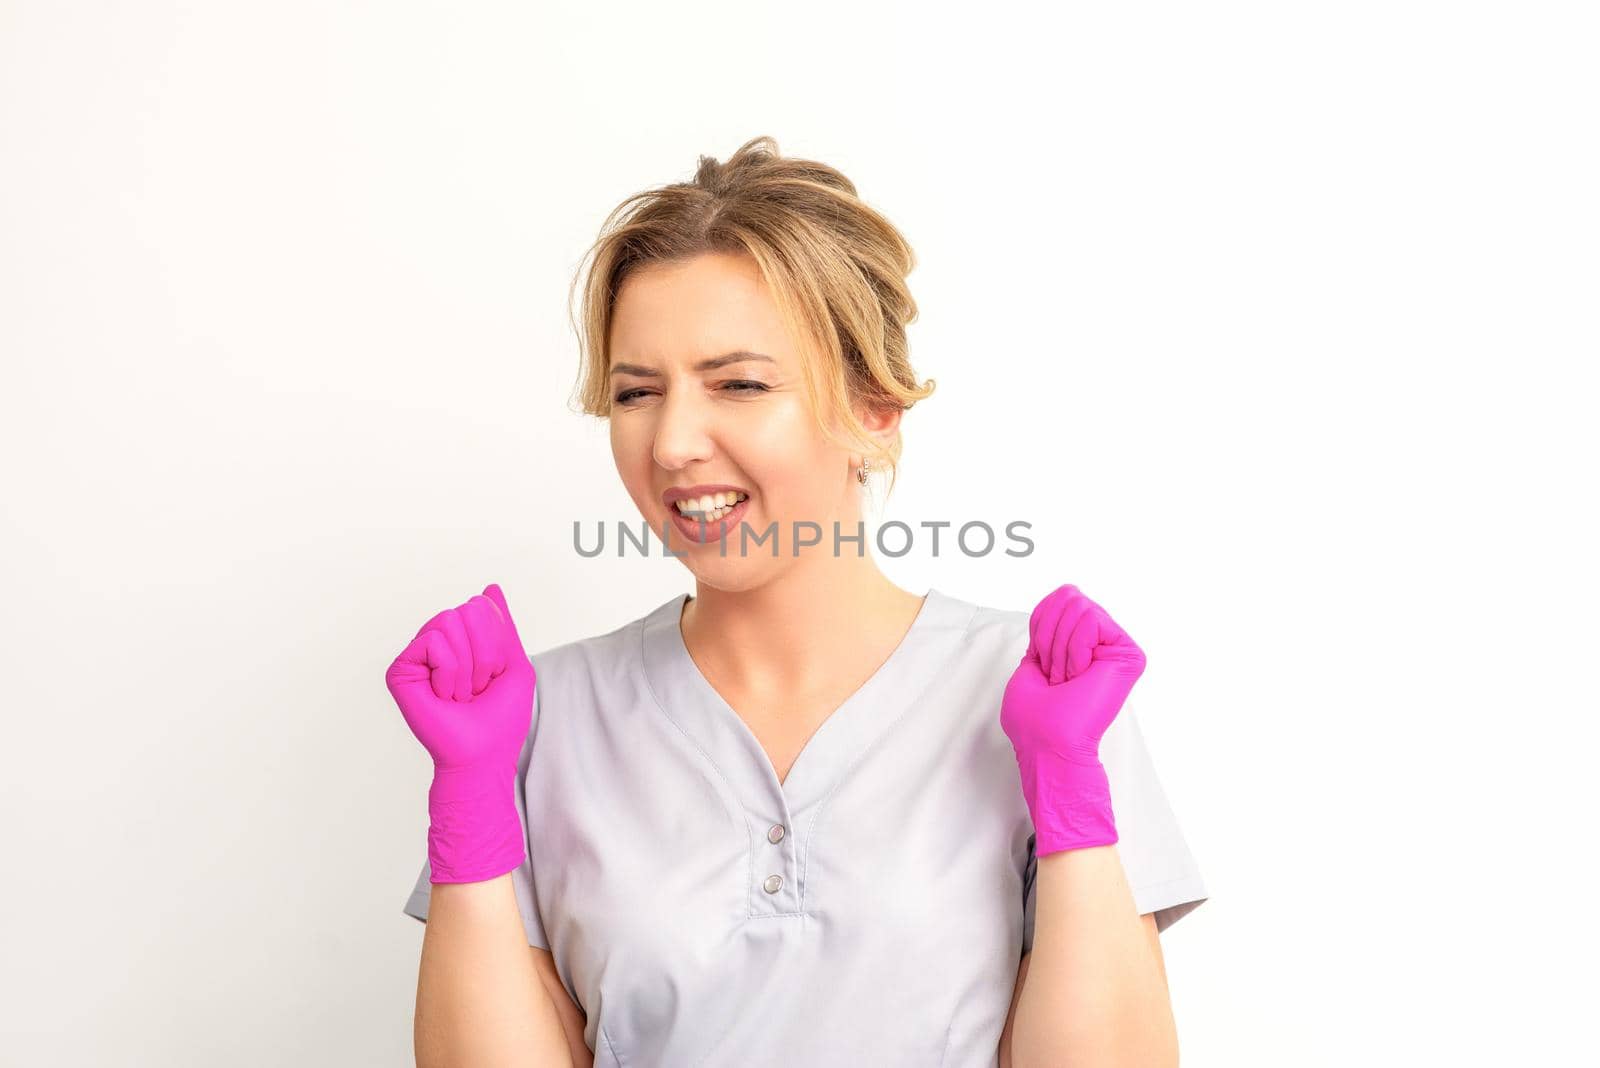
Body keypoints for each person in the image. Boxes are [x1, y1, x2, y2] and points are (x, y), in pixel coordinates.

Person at [390, 136, 1208, 1067]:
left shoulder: (1045, 697)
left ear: (872, 406)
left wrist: (1068, 791)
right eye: (636, 392)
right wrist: (469, 814)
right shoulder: (535, 721)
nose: (672, 444)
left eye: (738, 383)